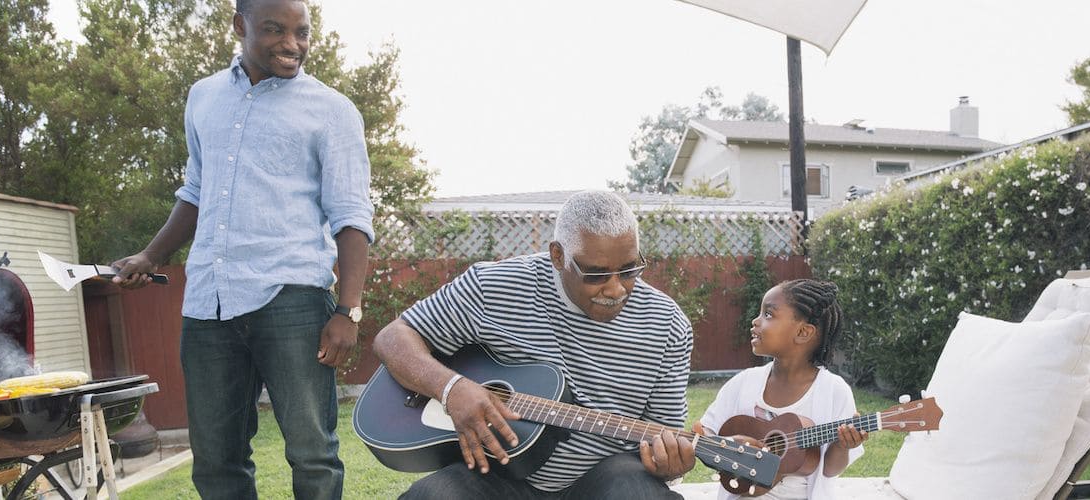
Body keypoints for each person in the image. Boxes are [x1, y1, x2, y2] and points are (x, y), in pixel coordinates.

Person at [110, 0, 374, 498]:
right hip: (209, 303)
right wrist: (150, 255)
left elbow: (352, 216)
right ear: (239, 25)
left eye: (302, 32)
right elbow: (195, 190)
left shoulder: (332, 110)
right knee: (216, 460)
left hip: (292, 297)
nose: (291, 44)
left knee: (312, 454)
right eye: (275, 29)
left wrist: (349, 311)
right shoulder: (203, 97)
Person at [372, 190, 695, 499]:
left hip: (604, 480)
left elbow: (662, 439)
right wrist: (451, 388)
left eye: (629, 270)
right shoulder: (494, 286)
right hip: (497, 476)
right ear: (558, 255)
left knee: (639, 492)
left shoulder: (668, 325)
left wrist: (669, 464)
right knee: (436, 495)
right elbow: (393, 338)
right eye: (595, 275)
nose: (615, 290)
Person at [697, 279, 866, 500]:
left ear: (803, 332)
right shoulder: (744, 383)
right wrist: (728, 447)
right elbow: (703, 431)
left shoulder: (833, 391)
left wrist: (843, 446)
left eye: (768, 314)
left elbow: (830, 470)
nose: (755, 321)